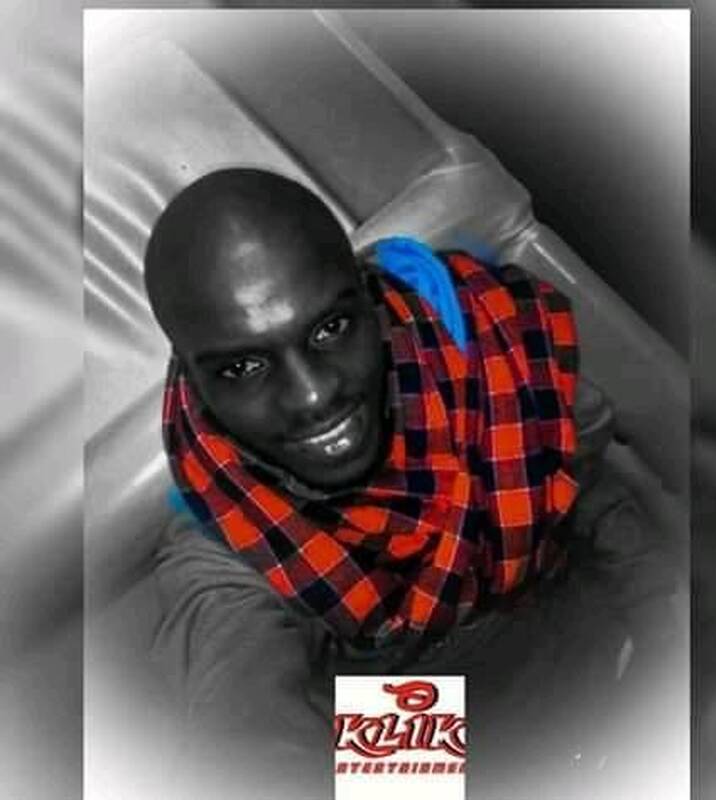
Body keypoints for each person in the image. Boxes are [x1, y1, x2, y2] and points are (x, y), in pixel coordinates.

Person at [143, 167, 676, 796]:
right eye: (243, 368)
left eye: (330, 329)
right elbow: (248, 737)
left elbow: (584, 485)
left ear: (369, 301)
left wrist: (663, 631)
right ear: (193, 381)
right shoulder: (227, 553)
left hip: (605, 657)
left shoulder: (479, 350)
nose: (313, 395)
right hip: (438, 760)